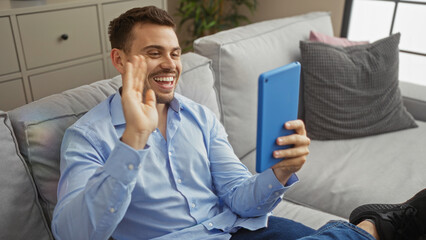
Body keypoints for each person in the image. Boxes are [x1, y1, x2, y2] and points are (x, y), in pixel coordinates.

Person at [51, 6, 426, 240]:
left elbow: (239, 199)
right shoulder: (87, 136)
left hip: (240, 229)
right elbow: (75, 233)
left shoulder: (199, 116)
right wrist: (133, 138)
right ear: (120, 60)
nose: (170, 64)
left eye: (175, 53)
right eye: (153, 53)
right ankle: (373, 228)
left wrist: (278, 172)